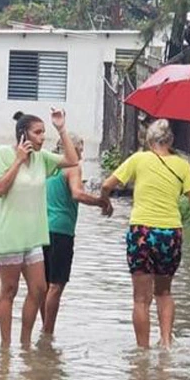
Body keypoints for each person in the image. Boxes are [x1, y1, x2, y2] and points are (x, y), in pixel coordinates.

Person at [100, 119, 190, 349]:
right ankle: (166, 343)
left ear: (148, 140)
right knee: (164, 292)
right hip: (170, 233)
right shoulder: (182, 165)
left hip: (141, 232)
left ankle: (142, 352)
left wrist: (106, 203)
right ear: (171, 141)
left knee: (140, 298)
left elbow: (107, 185)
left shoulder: (138, 159)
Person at [0, 109, 79, 347]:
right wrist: (18, 160)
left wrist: (62, 128)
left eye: (44, 133)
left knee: (39, 289)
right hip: (10, 235)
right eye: (37, 133)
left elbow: (72, 160)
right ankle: (5, 347)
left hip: (34, 237)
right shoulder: (3, 154)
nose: (42, 138)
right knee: (9, 290)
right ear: (23, 135)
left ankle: (26, 343)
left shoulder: (43, 158)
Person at [40, 134, 111, 335]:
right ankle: (48, 334)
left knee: (44, 284)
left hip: (41, 228)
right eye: (80, 149)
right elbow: (77, 193)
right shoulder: (72, 167)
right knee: (56, 285)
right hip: (61, 230)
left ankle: (44, 331)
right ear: (74, 149)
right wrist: (100, 202)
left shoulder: (48, 166)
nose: (82, 153)